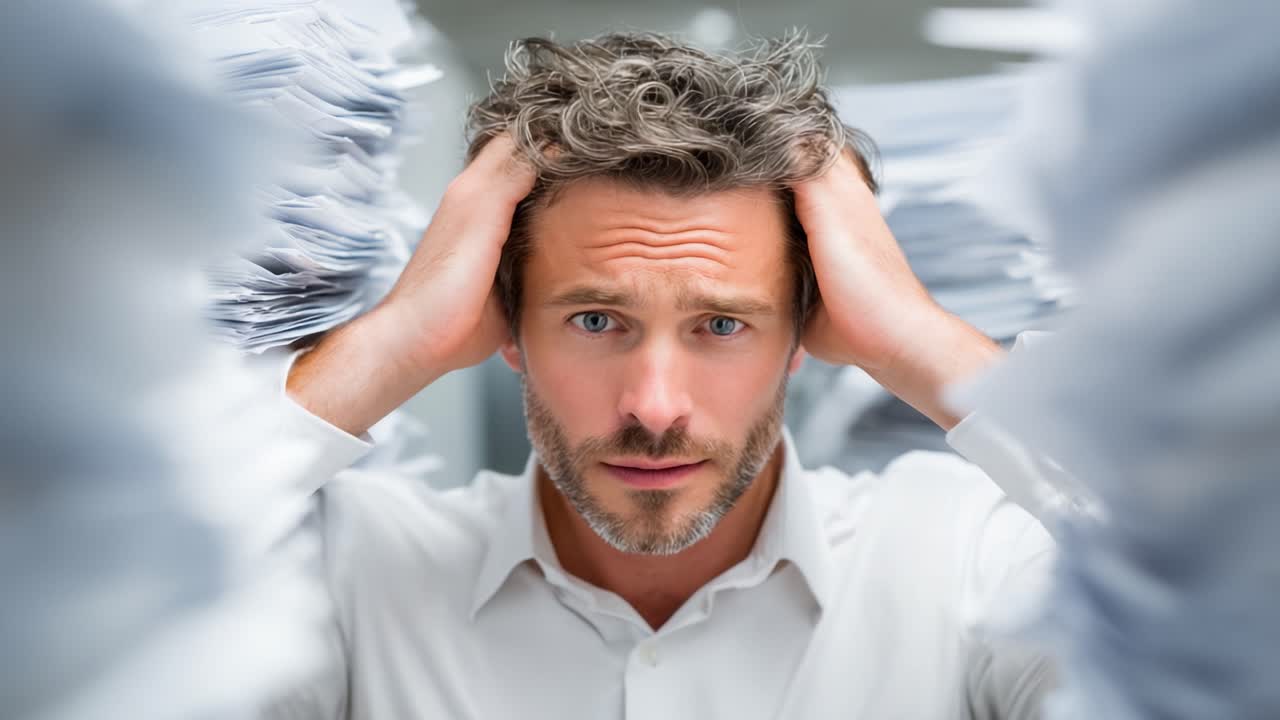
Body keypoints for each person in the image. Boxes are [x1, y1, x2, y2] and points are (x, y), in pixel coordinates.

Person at [269, 32, 1058, 719]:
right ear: (503, 322)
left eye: (721, 325)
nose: (653, 407)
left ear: (806, 333)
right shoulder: (355, 571)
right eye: (596, 320)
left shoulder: (966, 559)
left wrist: (917, 337)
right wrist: (396, 341)